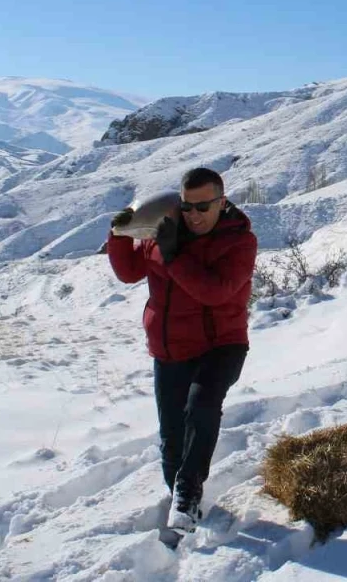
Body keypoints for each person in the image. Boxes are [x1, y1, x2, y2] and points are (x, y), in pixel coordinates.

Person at [107, 167, 257, 533]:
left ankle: (188, 494)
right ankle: (183, 506)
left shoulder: (240, 240)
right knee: (171, 439)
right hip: (170, 348)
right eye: (187, 207)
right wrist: (119, 235)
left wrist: (175, 257)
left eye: (202, 207)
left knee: (201, 408)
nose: (193, 215)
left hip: (221, 345)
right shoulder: (166, 232)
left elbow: (215, 292)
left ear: (222, 202)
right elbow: (129, 273)